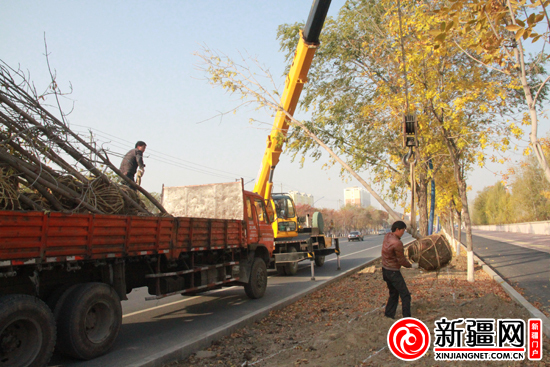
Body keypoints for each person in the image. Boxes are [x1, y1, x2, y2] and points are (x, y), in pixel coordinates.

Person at [381, 220, 416, 319]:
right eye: (402, 231)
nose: (403, 233)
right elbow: (402, 260)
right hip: (393, 272)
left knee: (394, 293)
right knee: (405, 295)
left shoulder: (387, 236)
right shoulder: (397, 243)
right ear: (397, 229)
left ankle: (389, 315)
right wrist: (411, 266)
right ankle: (407, 317)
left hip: (385, 270)